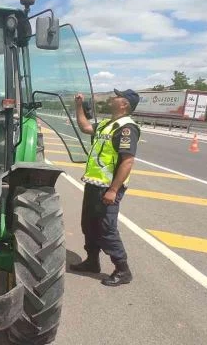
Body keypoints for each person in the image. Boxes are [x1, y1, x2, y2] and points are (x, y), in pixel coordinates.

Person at [69, 88, 141, 287]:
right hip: (94, 183)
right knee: (89, 225)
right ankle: (92, 262)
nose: (112, 97)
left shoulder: (126, 128)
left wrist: (113, 190)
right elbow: (84, 127)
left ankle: (122, 270)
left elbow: (127, 161)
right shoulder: (106, 124)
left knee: (106, 229)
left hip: (108, 188)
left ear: (124, 104)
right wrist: (78, 106)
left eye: (117, 96)